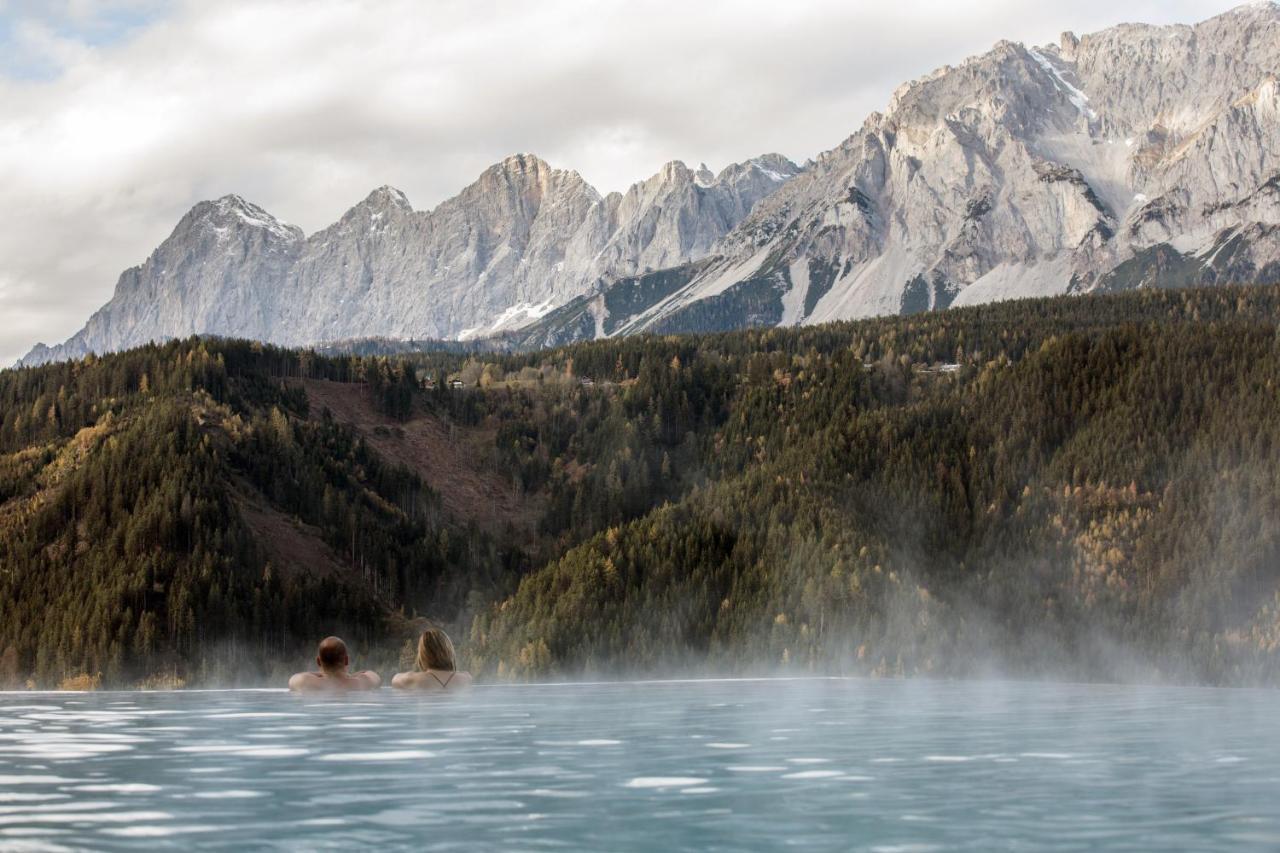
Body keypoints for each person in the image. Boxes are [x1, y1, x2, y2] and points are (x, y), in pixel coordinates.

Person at [288, 636, 381, 692]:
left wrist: (323, 674)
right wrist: (349, 676)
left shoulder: (305, 682)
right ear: (346, 660)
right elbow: (374, 676)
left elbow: (294, 679)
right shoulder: (362, 682)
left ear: (318, 661)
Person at [391, 628, 473, 691]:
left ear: (423, 654)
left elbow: (395, 679)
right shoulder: (465, 678)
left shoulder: (412, 679)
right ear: (448, 651)